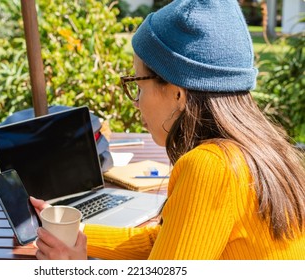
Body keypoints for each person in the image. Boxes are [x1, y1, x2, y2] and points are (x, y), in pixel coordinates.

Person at [30, 0, 305, 259]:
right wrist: (72, 231)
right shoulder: (264, 151)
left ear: (177, 92)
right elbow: (165, 240)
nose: (136, 102)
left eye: (138, 86)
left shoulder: (212, 166)